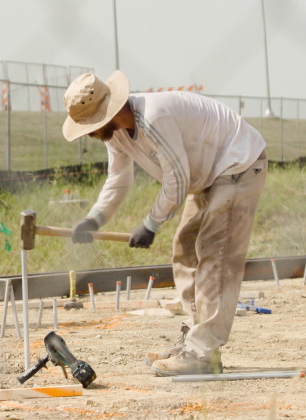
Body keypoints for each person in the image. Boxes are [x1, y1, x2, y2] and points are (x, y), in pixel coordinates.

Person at [61, 71, 268, 376]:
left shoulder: (153, 118)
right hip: (210, 175)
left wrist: (150, 224)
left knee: (215, 253)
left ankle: (202, 351)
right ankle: (197, 343)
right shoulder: (115, 132)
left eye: (92, 125)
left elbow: (178, 179)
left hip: (238, 163)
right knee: (185, 251)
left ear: (110, 110)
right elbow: (118, 178)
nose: (90, 133)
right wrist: (95, 218)